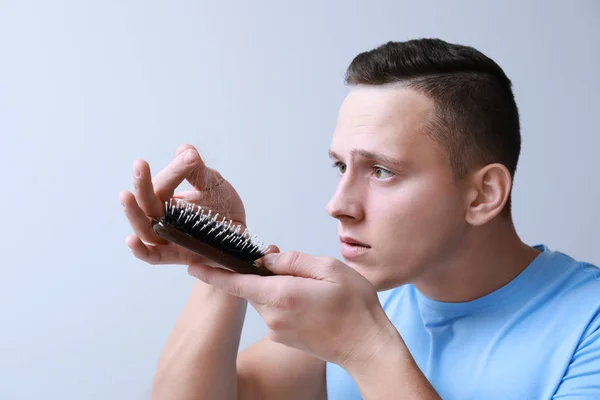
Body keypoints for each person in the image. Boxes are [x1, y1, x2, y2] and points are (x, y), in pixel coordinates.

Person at [119, 38, 600, 399]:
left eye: (383, 170)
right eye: (340, 166)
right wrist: (224, 263)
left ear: (483, 194)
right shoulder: (372, 304)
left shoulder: (588, 326)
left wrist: (365, 350)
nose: (338, 203)